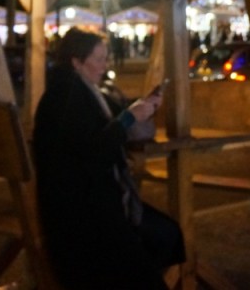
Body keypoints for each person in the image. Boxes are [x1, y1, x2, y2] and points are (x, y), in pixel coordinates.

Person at [33, 28, 185, 289]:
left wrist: (143, 109)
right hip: (81, 216)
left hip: (83, 206)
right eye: (99, 59)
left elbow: (112, 127)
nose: (106, 65)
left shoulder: (79, 92)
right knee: (162, 236)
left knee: (165, 235)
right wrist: (129, 118)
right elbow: (95, 152)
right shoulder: (67, 96)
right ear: (77, 62)